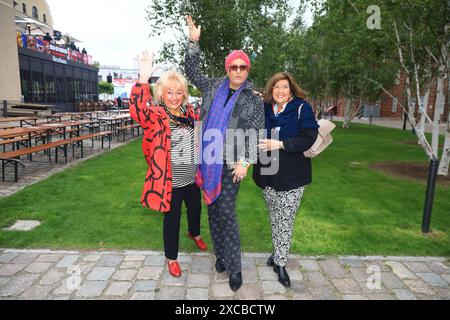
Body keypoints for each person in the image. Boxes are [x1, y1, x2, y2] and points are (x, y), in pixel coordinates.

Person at [185, 16, 265, 292]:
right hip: (206, 161)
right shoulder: (211, 87)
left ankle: (235, 267)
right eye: (234, 66)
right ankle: (220, 256)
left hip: (232, 165)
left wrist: (245, 162)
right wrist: (193, 43)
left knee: (227, 213)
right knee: (213, 212)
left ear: (247, 69)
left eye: (243, 67)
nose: (239, 71)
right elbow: (192, 72)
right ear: (228, 68)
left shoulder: (252, 98)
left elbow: (256, 131)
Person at [129, 50, 208, 278]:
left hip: (192, 177)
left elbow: (201, 137)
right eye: (169, 92)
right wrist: (142, 80)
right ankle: (172, 258)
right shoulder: (155, 114)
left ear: (184, 94)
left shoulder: (191, 112)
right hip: (170, 182)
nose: (174, 96)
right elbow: (136, 111)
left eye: (178, 92)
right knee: (172, 220)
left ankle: (194, 233)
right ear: (161, 93)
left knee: (195, 208)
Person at [253, 72, 319, 288]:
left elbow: (309, 137)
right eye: (276, 87)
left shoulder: (301, 108)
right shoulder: (264, 108)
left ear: (291, 89)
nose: (280, 91)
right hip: (267, 173)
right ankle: (277, 252)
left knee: (286, 219)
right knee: (275, 216)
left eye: (284, 87)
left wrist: (279, 144)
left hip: (293, 176)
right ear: (270, 90)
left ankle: (280, 263)